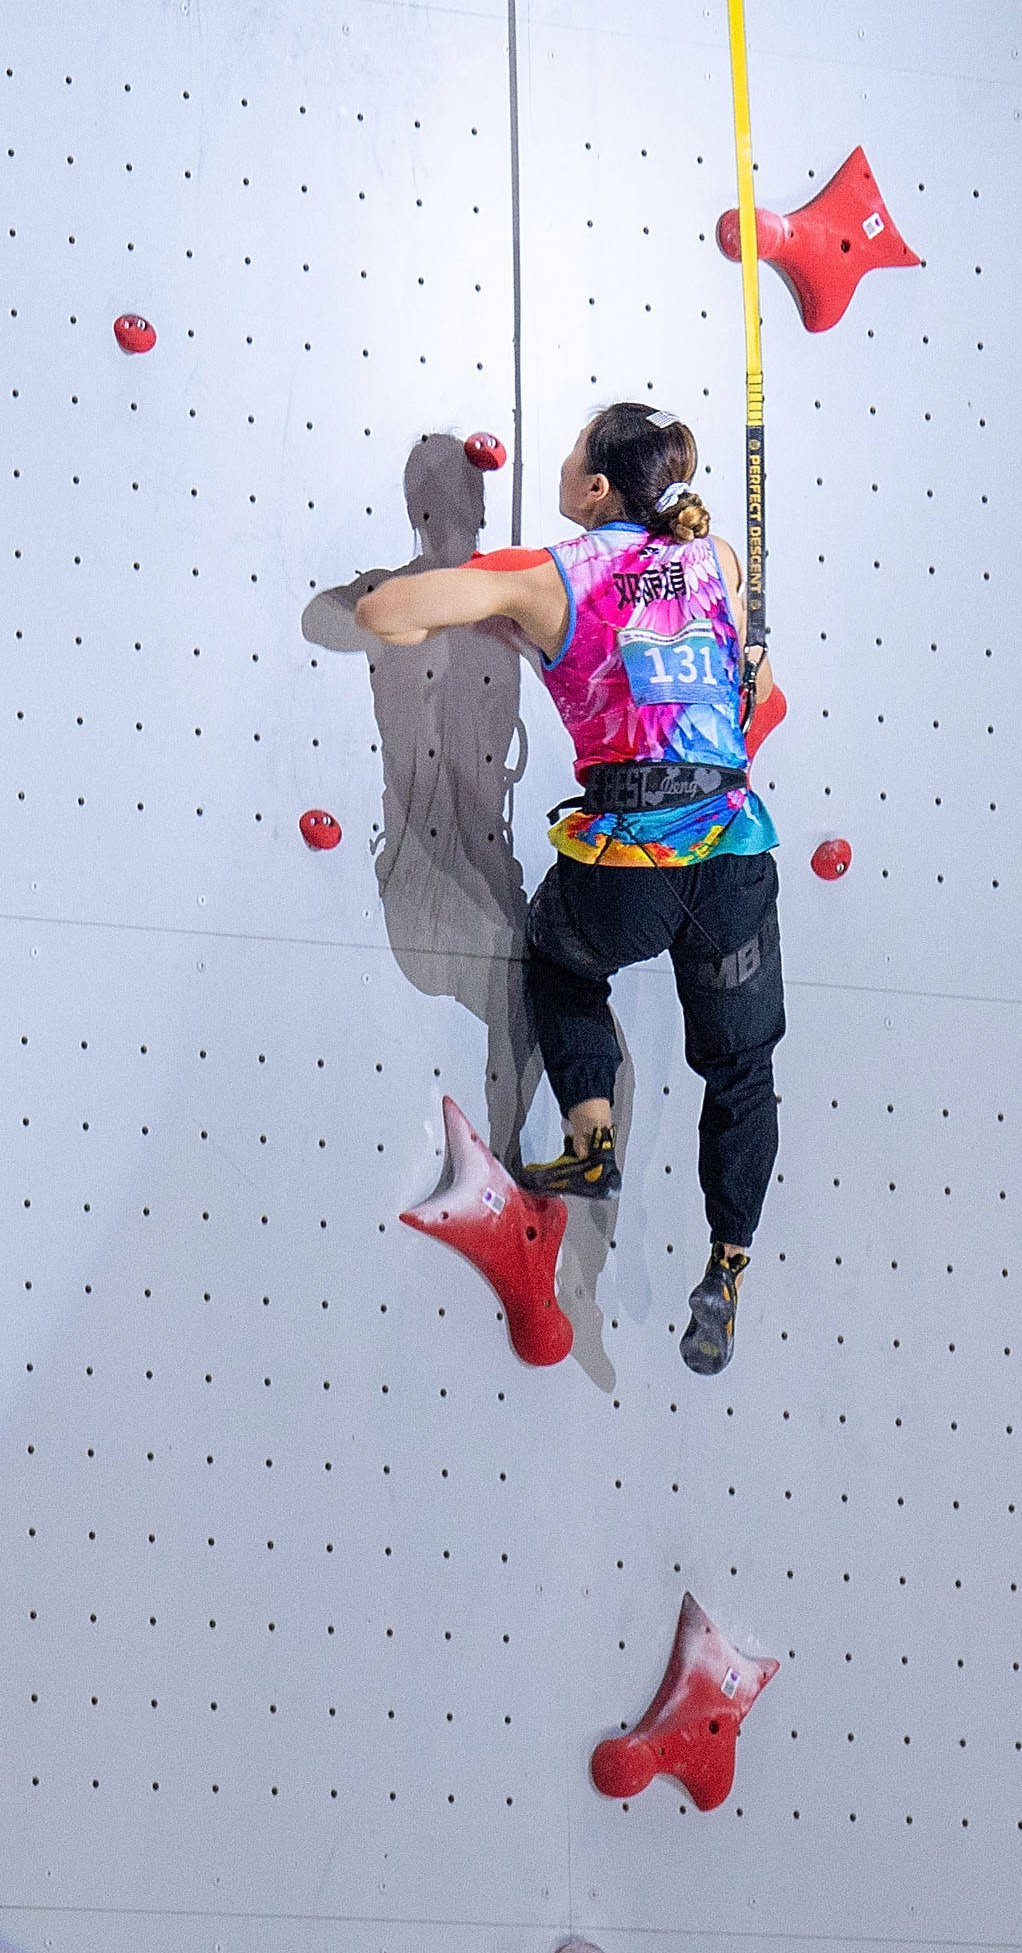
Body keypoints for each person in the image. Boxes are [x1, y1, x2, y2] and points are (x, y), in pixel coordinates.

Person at [355, 404, 780, 1374]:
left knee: (561, 962)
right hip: (731, 851)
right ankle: (727, 1265)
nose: (558, 461)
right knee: (741, 1068)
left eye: (572, 451)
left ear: (594, 489)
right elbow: (732, 668)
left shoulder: (554, 576)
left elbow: (387, 617)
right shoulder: (716, 559)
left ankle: (589, 1134)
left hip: (628, 860)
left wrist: (496, 608)